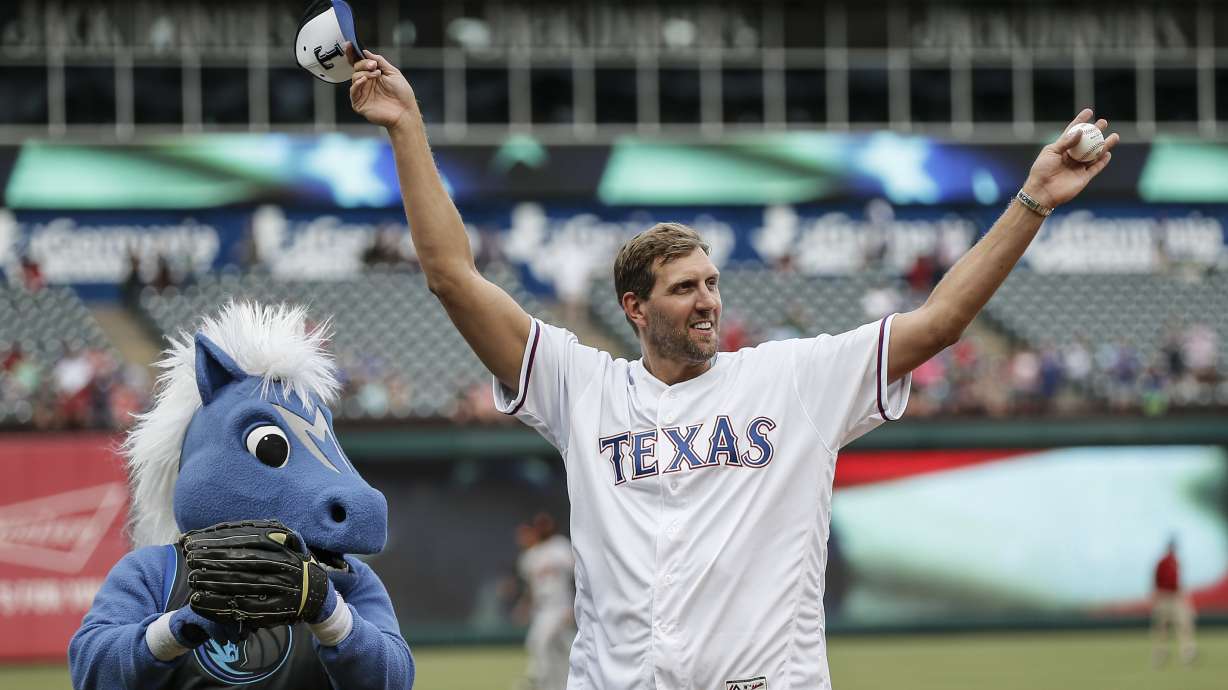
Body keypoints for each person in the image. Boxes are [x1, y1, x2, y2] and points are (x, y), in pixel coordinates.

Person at [349, 50, 1118, 689]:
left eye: (712, 283)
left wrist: (1032, 202)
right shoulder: (584, 389)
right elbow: (453, 276)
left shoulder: (793, 380)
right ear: (636, 308)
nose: (708, 301)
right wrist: (408, 128)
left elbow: (941, 320)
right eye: (685, 288)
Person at [515, 513, 577, 690]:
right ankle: (560, 684)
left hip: (560, 606)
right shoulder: (529, 557)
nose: (543, 527)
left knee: (540, 641)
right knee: (561, 647)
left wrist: (573, 606)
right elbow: (531, 588)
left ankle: (535, 679)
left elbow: (577, 577)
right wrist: (525, 606)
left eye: (546, 524)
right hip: (542, 609)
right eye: (540, 524)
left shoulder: (560, 546)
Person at [1152, 538, 1197, 667]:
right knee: (1162, 629)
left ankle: (1187, 654)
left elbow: (1177, 582)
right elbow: (1157, 581)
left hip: (1173, 597)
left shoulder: (1174, 561)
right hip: (1165, 597)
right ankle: (1161, 656)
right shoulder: (1164, 562)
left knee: (1182, 626)